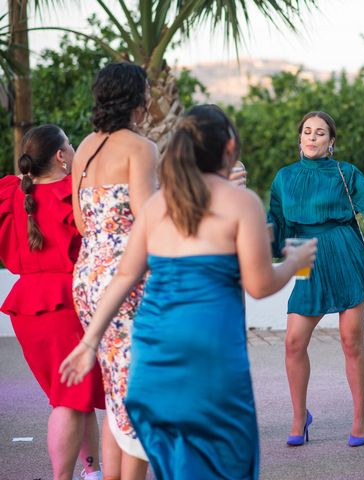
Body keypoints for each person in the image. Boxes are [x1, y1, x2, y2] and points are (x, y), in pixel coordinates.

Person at [60, 104, 317, 480]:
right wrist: (294, 262)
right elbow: (260, 285)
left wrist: (89, 341)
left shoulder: (156, 205)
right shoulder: (242, 203)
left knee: (172, 464)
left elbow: (124, 276)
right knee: (224, 462)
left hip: (153, 358)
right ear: (229, 147)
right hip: (210, 355)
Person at [268, 111, 364, 447]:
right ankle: (300, 416)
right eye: (308, 132)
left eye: (320, 133)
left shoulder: (344, 172)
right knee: (293, 342)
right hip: (303, 253)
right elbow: (276, 223)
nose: (312, 138)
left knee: (350, 339)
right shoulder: (284, 178)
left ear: (331, 142)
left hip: (345, 252)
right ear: (300, 138)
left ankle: (360, 418)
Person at [0, 125, 104, 480]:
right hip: (64, 305)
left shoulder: (13, 191)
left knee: (76, 394)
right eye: (70, 147)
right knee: (69, 399)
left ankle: (93, 472)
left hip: (27, 305)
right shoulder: (73, 192)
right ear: (61, 157)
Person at [71, 62, 159, 479]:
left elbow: (82, 222)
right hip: (127, 279)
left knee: (115, 389)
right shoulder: (140, 148)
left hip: (87, 277)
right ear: (135, 98)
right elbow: (148, 221)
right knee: (140, 390)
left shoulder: (85, 146)